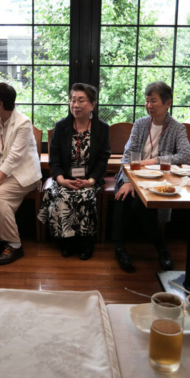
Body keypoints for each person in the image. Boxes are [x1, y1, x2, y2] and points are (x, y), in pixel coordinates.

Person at [112, 81, 190, 272]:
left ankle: (161, 248)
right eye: (147, 101)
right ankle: (120, 247)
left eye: (153, 101)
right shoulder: (140, 124)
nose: (149, 105)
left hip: (159, 179)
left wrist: (155, 161)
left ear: (167, 103)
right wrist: (129, 181)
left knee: (139, 204)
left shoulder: (177, 128)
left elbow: (186, 156)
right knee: (124, 195)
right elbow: (127, 155)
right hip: (132, 174)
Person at [38, 83, 110, 260]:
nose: (75, 105)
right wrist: (61, 179)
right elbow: (54, 158)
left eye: (81, 100)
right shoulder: (61, 127)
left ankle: (86, 241)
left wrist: (91, 181)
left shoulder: (102, 128)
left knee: (87, 195)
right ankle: (66, 240)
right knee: (62, 195)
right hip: (65, 178)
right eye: (72, 100)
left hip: (89, 179)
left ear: (92, 105)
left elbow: (103, 159)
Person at [0, 82, 41, 265]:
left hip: (24, 174)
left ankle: (15, 244)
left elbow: (14, 158)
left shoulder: (23, 123)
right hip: (4, 173)